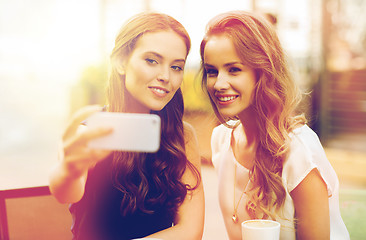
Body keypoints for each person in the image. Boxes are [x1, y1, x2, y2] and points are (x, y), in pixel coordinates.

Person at [49, 12, 204, 240]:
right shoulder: (93, 130)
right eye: (152, 60)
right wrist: (69, 169)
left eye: (176, 67)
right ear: (121, 62)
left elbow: (191, 231)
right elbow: (65, 193)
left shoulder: (183, 136)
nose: (165, 76)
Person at [200, 11, 349, 240]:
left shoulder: (299, 152)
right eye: (212, 71)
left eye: (234, 69)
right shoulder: (221, 140)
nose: (219, 83)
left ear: (263, 72)